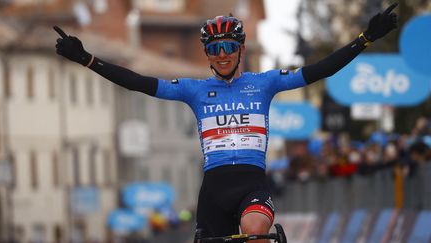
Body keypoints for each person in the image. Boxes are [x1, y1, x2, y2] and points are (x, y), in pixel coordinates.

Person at [54, 3, 398, 242]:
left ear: (241, 47)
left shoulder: (265, 83)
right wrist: (87, 59)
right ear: (207, 54)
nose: (222, 54)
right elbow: (138, 82)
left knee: (255, 231)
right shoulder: (194, 90)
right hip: (214, 191)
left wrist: (363, 40)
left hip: (251, 184)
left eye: (229, 46)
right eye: (215, 48)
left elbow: (319, 69)